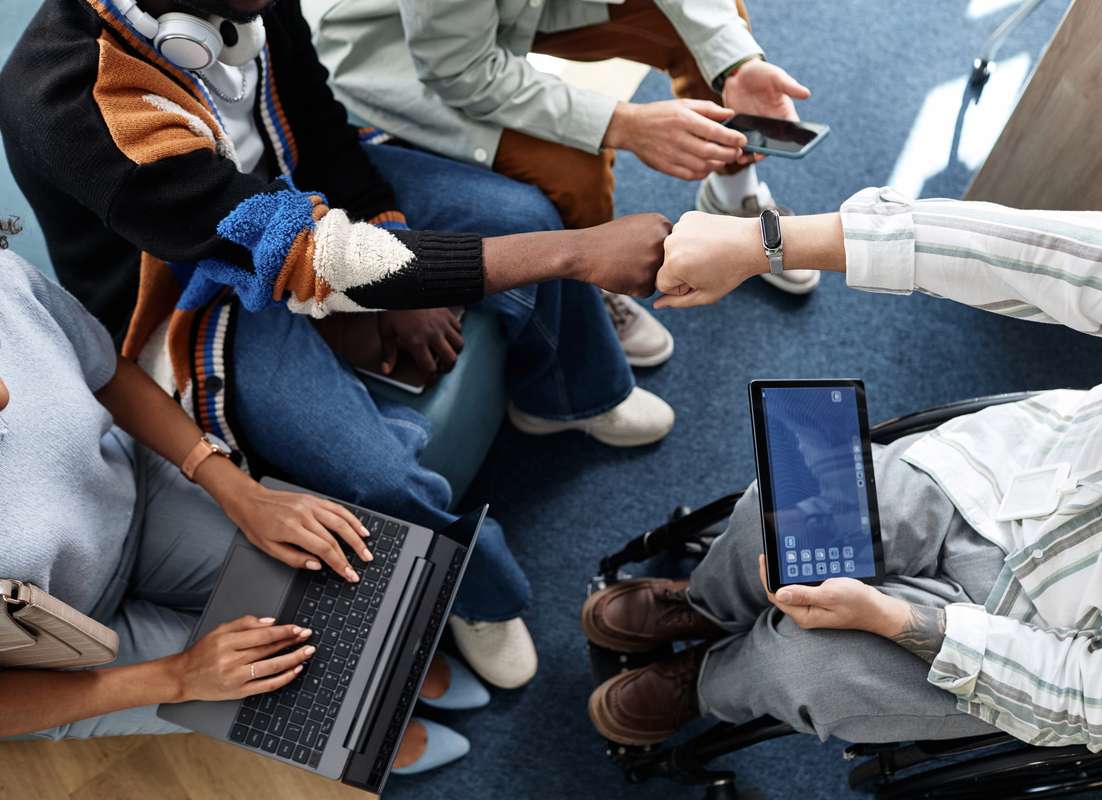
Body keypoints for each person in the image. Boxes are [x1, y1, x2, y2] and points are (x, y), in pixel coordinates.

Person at [0, 0, 675, 705]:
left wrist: (389, 231)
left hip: (301, 196)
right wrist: (571, 254)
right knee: (378, 477)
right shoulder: (69, 99)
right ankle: (477, 595)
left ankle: (567, 398)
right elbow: (301, 256)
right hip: (198, 290)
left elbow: (315, 121)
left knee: (523, 217)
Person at [584, 188, 1102, 760]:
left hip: (1037, 634)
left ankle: (711, 680)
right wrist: (767, 243)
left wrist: (897, 621)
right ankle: (709, 606)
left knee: (805, 668)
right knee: (769, 522)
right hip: (1018, 466)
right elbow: (1040, 253)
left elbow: (1091, 698)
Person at [0, 249, 491, 773]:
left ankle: (403, 672)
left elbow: (105, 372)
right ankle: (380, 735)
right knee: (282, 687)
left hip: (131, 489)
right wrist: (181, 676)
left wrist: (239, 490)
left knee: (337, 580)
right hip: (54, 656)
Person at [313, 0, 821, 296]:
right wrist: (621, 123)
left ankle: (733, 196)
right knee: (574, 169)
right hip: (403, 46)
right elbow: (459, 67)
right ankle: (597, 293)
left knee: (714, 26)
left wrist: (735, 63)